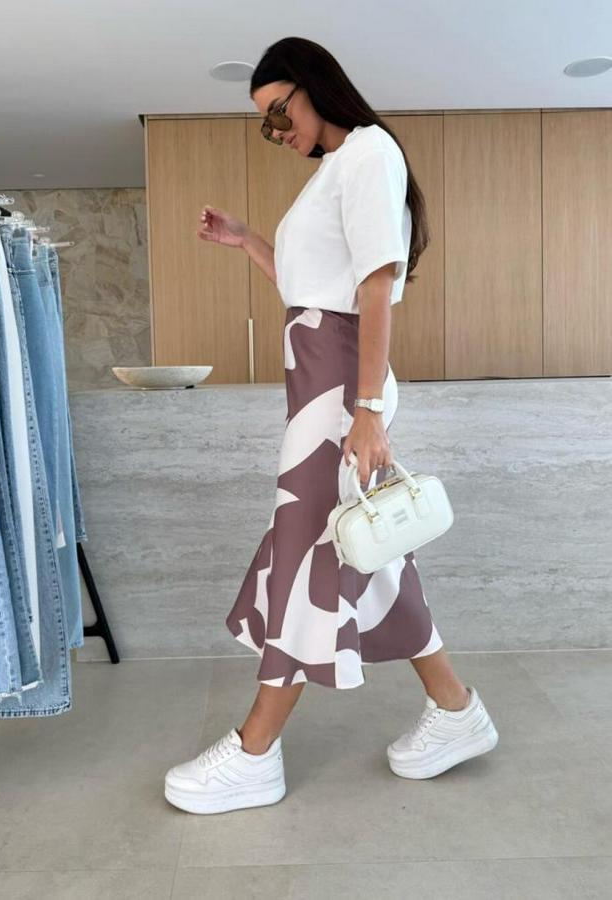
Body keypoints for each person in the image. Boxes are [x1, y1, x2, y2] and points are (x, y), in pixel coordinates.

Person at [164, 36, 498, 816]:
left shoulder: (369, 152)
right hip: (320, 382)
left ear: (315, 87)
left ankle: (255, 751)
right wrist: (247, 240)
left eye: (280, 110)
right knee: (362, 550)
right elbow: (311, 288)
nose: (275, 129)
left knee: (307, 552)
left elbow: (375, 287)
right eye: (264, 121)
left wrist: (368, 409)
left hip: (341, 387)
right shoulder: (334, 170)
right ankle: (455, 710)